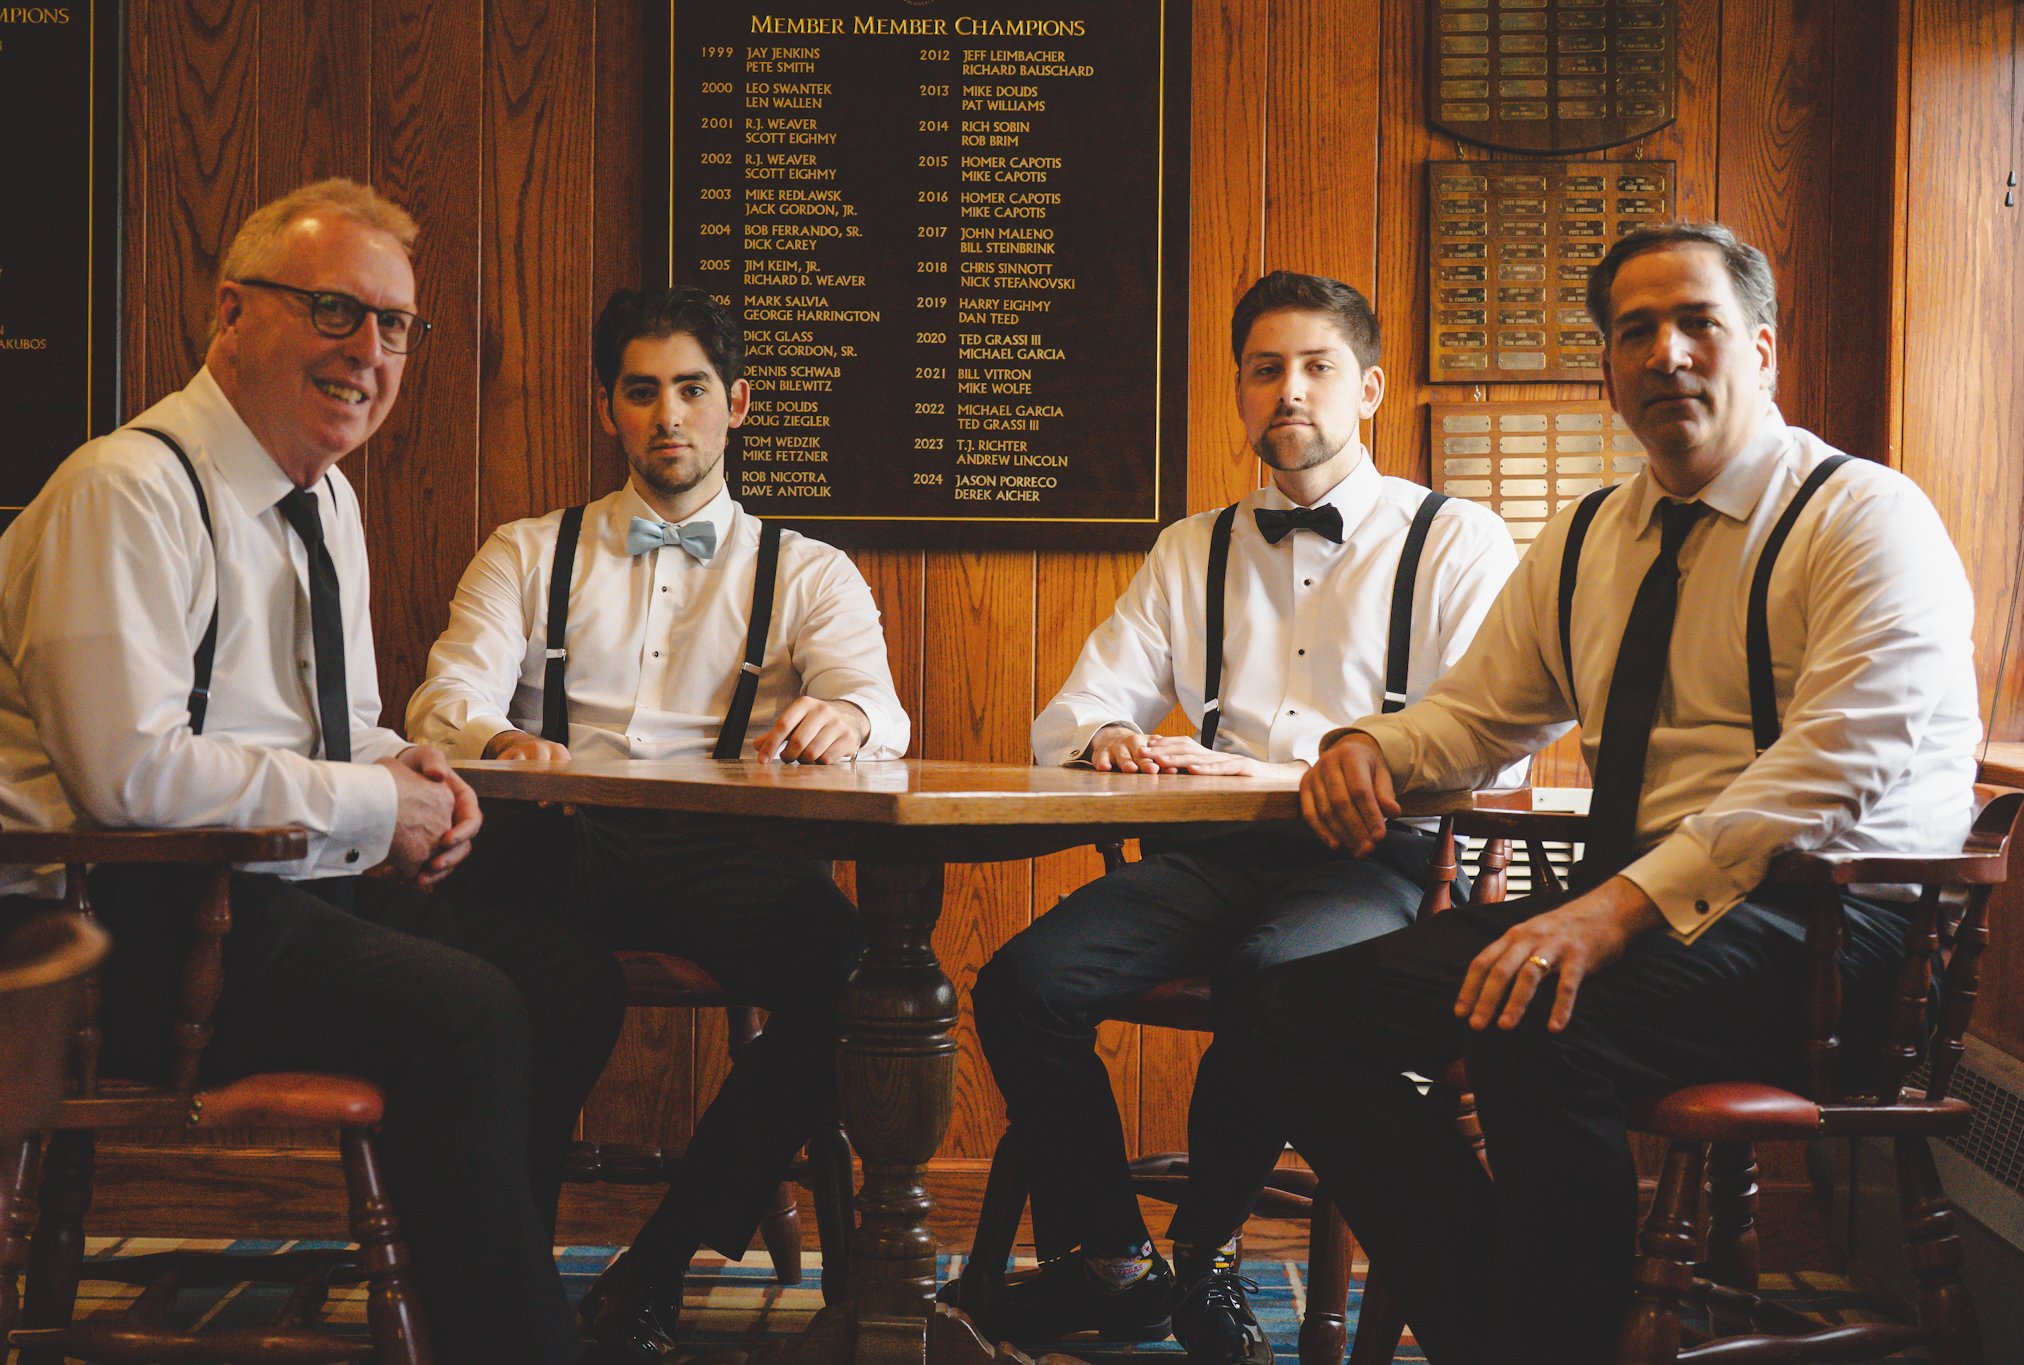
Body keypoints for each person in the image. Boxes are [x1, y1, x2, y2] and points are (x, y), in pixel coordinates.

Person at [1210, 223, 1982, 1364]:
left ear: (1759, 350)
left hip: (1830, 936)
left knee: (1534, 1022)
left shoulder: (1864, 517)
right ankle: (1506, 1334)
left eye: (1696, 324)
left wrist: (1611, 908)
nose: (1665, 352)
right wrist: (1372, 749)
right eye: (1634, 331)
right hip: (1630, 923)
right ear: (1608, 368)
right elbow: (1475, 715)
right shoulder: (1585, 538)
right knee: (1286, 1016)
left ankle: (1535, 1336)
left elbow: (1838, 758)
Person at [0, 178, 626, 1364]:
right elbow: (123, 777)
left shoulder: (322, 500)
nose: (370, 352)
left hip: (257, 906)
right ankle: (515, 1339)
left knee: (567, 975)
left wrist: (412, 773)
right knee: (466, 1011)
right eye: (336, 310)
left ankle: (476, 1303)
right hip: (115, 939)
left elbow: (334, 726)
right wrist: (368, 803)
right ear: (230, 312)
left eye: (395, 326)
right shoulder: (125, 490)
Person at [960, 272, 1520, 1365]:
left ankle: (1200, 1252)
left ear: (1364, 388)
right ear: (1238, 392)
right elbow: (1064, 716)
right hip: (1206, 860)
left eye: (1314, 367)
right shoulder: (1190, 548)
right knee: (1021, 984)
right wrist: (1105, 738)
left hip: (1380, 862)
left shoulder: (1454, 541)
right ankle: (1118, 1263)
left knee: (1277, 985)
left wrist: (1285, 767)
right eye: (1264, 369)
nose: (1288, 391)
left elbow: (1495, 740)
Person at [406, 284, 911, 1364]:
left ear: (737, 405)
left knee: (859, 979)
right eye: (643, 394)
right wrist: (499, 745)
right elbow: (442, 702)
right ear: (609, 411)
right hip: (552, 839)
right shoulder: (525, 552)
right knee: (515, 987)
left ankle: (659, 1263)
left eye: (691, 391)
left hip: (715, 853)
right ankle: (507, 1291)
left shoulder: (808, 572)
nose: (667, 417)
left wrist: (846, 715)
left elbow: (883, 712)